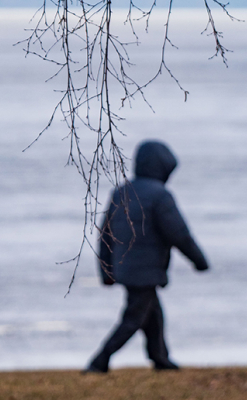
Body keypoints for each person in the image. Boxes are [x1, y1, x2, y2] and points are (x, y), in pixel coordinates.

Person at [85, 140, 209, 374]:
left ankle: (160, 358)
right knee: (133, 319)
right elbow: (179, 234)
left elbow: (105, 237)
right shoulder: (160, 196)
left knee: (152, 314)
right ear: (163, 168)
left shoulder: (121, 192)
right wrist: (199, 261)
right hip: (145, 270)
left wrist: (107, 272)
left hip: (126, 268)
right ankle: (99, 361)